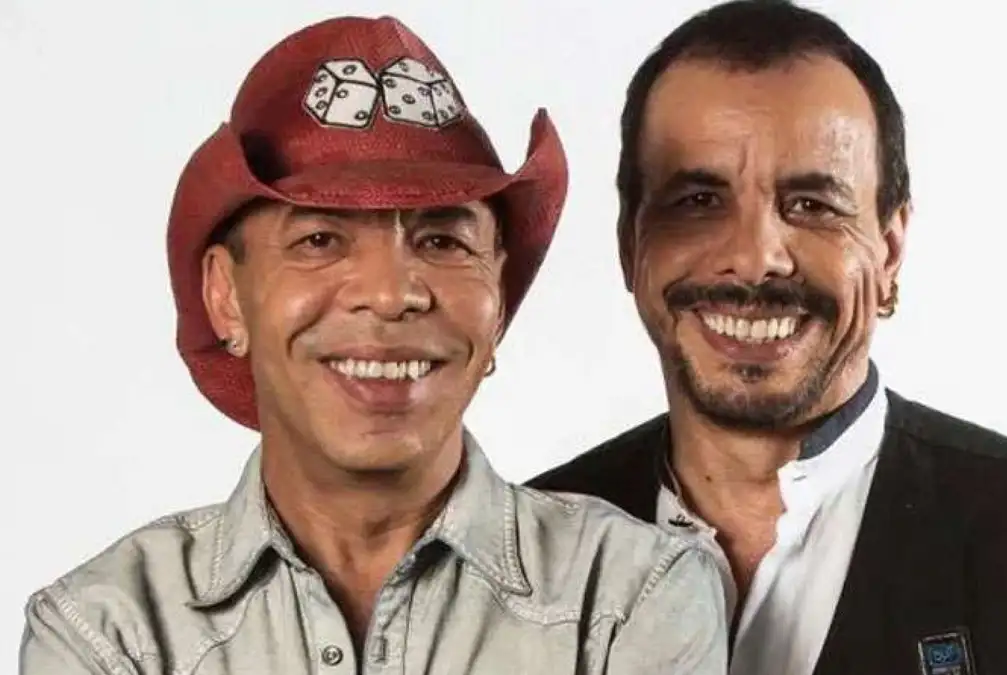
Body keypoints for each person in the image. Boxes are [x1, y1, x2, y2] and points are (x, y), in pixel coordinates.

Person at [19, 15, 727, 675]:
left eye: (442, 241)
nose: (391, 294)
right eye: (319, 239)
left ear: (497, 301)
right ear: (227, 296)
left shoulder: (631, 596)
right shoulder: (108, 630)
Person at [529, 1, 1007, 674]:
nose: (756, 258)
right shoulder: (522, 553)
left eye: (812, 204)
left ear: (890, 250)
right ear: (629, 244)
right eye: (698, 201)